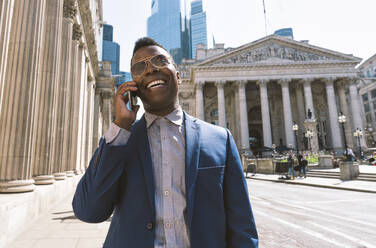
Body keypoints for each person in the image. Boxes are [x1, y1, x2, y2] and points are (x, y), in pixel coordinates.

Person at [72, 37, 258, 248]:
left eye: (160, 61)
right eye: (140, 67)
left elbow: (242, 227)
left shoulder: (219, 139)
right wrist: (120, 125)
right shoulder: (121, 141)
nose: (151, 69)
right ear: (133, 85)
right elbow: (88, 210)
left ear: (178, 76)